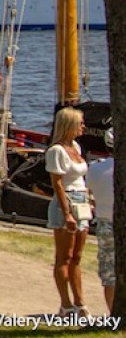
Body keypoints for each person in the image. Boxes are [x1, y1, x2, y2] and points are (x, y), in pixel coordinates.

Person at [46, 106, 91, 318]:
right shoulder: (56, 151)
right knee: (64, 256)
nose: (83, 127)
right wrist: (67, 213)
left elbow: (81, 177)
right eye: (80, 123)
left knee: (77, 256)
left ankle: (80, 301)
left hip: (81, 200)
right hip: (67, 201)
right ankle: (66, 304)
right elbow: (57, 184)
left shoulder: (76, 147)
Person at [86, 129, 115, 311]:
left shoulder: (95, 168)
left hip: (105, 222)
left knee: (109, 274)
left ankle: (114, 314)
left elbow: (90, 193)